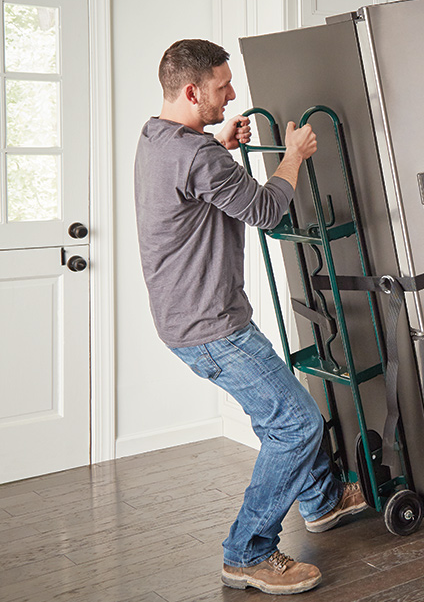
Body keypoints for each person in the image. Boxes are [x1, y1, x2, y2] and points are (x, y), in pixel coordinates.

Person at [134, 39, 368, 595]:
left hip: (192, 319)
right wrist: (295, 155)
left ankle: (322, 501)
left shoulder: (158, 137)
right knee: (296, 424)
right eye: (222, 87)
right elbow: (265, 209)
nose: (233, 94)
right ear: (193, 92)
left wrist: (219, 143)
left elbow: (194, 172)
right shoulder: (198, 156)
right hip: (211, 328)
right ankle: (248, 553)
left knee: (281, 414)